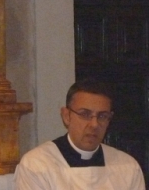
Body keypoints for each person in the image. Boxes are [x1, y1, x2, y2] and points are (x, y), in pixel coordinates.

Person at [14, 79, 145, 189]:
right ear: (66, 116)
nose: (94, 124)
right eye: (85, 114)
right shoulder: (37, 165)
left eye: (102, 116)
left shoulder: (127, 167)